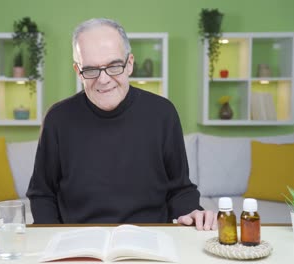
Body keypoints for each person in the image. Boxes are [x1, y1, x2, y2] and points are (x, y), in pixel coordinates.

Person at [26, 18, 217, 230]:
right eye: (90, 70)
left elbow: (179, 189)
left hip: (149, 239)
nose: (103, 79)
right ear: (78, 71)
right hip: (79, 242)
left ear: (130, 64)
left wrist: (191, 212)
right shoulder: (58, 119)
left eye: (114, 66)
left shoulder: (163, 113)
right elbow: (42, 194)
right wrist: (52, 239)